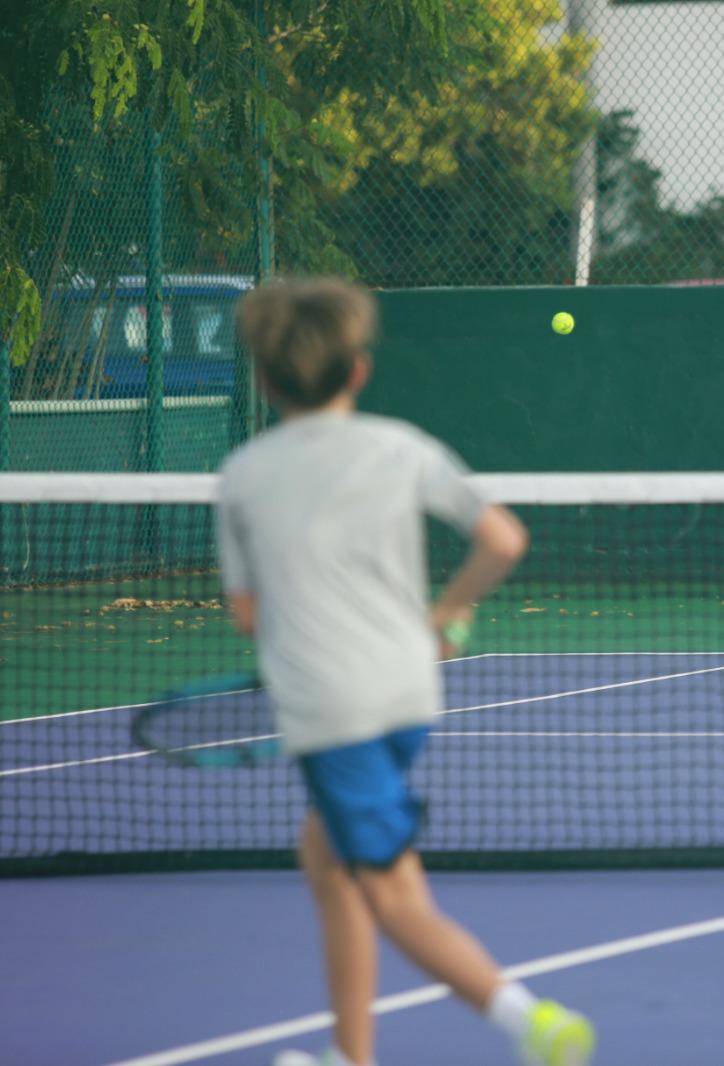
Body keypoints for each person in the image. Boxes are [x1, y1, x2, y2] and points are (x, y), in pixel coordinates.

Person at [217, 277, 595, 1066]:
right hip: (410, 692)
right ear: (358, 369)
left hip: (334, 711)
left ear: (264, 380)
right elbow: (503, 540)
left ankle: (532, 1025)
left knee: (392, 895)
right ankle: (352, 1056)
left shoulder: (243, 477)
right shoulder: (404, 446)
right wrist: (446, 614)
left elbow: (249, 615)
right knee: (327, 860)